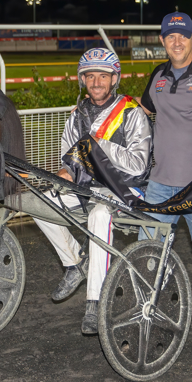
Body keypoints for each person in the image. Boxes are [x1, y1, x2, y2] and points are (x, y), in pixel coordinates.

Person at [34, 48, 152, 334]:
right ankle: (75, 263)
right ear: (82, 80)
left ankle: (95, 302)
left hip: (126, 190)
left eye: (103, 76)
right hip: (89, 188)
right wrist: (66, 171)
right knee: (40, 200)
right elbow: (69, 160)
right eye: (90, 76)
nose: (96, 82)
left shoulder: (132, 113)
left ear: (114, 79)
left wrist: (98, 145)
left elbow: (138, 166)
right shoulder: (76, 116)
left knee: (100, 214)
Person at [137, 12, 192, 359]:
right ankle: (146, 321)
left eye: (183, 36)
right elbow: (141, 110)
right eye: (170, 36)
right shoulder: (157, 75)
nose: (177, 42)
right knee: (147, 260)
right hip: (159, 186)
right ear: (162, 41)